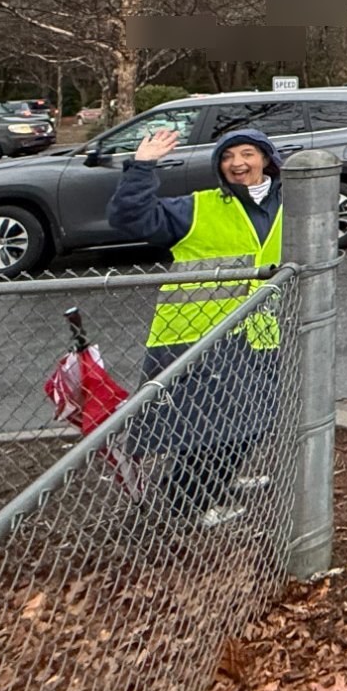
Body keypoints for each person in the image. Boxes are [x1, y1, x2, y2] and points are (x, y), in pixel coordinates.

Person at [108, 126, 287, 524]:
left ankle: (220, 480)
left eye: (247, 154)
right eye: (227, 157)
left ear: (266, 160)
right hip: (194, 336)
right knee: (206, 426)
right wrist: (142, 166)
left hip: (257, 333)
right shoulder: (200, 207)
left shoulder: (285, 204)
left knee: (254, 418)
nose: (238, 164)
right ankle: (188, 502)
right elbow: (128, 217)